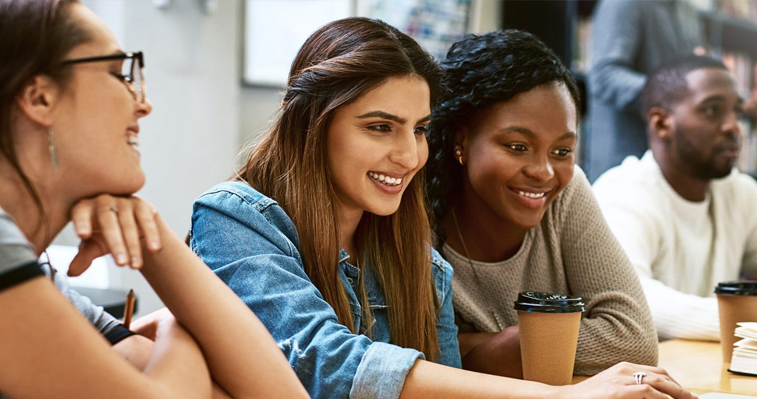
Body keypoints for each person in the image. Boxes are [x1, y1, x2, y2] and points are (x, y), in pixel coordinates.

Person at [190, 17, 696, 399]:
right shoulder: (233, 219)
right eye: (380, 127)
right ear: (311, 124)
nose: (409, 155)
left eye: (418, 129)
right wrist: (562, 396)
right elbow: (325, 364)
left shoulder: (414, 254)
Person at [0, 1, 309, 398]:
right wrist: (176, 325)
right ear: (39, 98)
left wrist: (151, 237)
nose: (142, 104)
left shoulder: (43, 283)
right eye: (117, 73)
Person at [424, 29, 658, 379]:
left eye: (562, 151)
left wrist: (487, 346)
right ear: (461, 140)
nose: (544, 172)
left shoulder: (567, 192)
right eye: (518, 146)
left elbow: (634, 340)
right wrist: (541, 342)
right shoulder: (414, 210)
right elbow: (410, 355)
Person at [593, 55, 757, 341]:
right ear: (661, 123)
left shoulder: (739, 192)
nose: (733, 127)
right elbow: (633, 299)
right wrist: (743, 319)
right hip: (638, 376)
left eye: (737, 113)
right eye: (712, 110)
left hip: (704, 370)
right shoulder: (622, 193)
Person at [584, 0, 704, 182]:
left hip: (672, 168)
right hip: (624, 165)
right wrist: (673, 94)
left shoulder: (690, 13)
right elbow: (604, 76)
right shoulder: (622, 4)